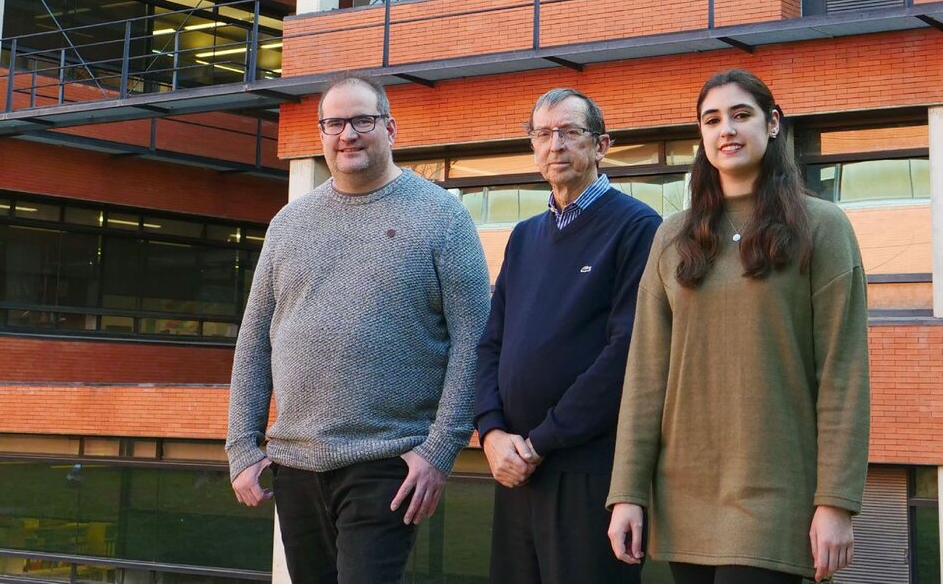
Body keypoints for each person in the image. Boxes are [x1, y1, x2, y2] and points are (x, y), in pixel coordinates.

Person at [606, 69, 870, 584]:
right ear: (701, 137)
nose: (726, 129)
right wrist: (628, 492)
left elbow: (844, 374)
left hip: (776, 498)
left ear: (772, 124)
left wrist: (836, 502)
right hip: (683, 493)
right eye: (712, 120)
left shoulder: (822, 227)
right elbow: (644, 378)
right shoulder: (672, 237)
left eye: (741, 114)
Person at [225, 74, 490, 584]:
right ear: (322, 133)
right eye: (334, 123)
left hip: (387, 462)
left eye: (362, 120)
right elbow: (254, 341)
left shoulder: (441, 216)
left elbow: (474, 342)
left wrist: (439, 450)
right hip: (295, 462)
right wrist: (242, 445)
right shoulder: (289, 223)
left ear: (390, 128)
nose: (348, 133)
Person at [475, 88, 661, 583]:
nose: (555, 144)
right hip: (514, 471)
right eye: (542, 133)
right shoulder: (524, 235)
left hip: (586, 472)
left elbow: (628, 353)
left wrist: (540, 443)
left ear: (601, 145)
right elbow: (490, 342)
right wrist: (492, 433)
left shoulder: (637, 227)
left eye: (569, 132)